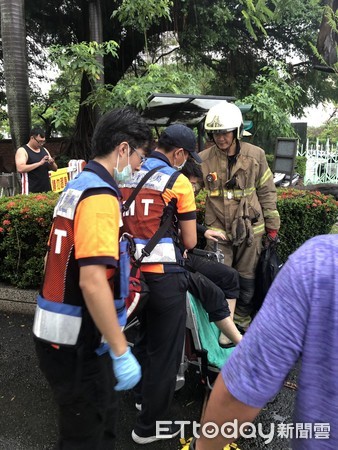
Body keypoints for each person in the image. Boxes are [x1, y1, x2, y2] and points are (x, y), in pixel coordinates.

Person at [33, 108, 152, 449]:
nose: (139, 168)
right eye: (140, 158)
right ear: (123, 149)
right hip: (79, 343)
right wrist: (119, 349)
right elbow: (92, 281)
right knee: (87, 436)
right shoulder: (100, 196)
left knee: (95, 424)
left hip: (57, 335)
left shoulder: (79, 184)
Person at [194, 234, 338, 450]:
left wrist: (202, 446)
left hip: (240, 237)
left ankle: (238, 335)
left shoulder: (321, 261)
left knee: (237, 279)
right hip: (198, 251)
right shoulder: (322, 262)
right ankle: (238, 336)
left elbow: (249, 377)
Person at [119, 124, 198, 445]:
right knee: (164, 351)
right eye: (186, 156)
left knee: (141, 338)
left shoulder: (126, 173)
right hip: (165, 277)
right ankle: (148, 426)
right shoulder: (178, 182)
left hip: (132, 276)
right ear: (179, 154)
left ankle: (140, 396)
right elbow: (190, 240)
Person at [199, 102, 280, 330]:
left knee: (247, 279)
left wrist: (272, 226)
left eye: (224, 132)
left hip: (250, 232)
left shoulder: (256, 155)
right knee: (219, 278)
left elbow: (267, 191)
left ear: (236, 131)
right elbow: (187, 187)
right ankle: (221, 327)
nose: (220, 138)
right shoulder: (203, 159)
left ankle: (242, 322)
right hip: (218, 233)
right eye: (215, 133)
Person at [181, 158, 242, 347]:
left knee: (230, 276)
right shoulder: (169, 194)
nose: (193, 189)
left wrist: (204, 231)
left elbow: (187, 227)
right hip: (170, 261)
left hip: (184, 255)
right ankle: (241, 343)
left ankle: (226, 334)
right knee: (212, 292)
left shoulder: (182, 196)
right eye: (191, 184)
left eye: (195, 185)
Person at [15, 126, 58, 194]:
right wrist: (40, 163)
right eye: (39, 141)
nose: (41, 144)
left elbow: (55, 169)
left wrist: (52, 163)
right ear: (32, 138)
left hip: (47, 190)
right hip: (31, 191)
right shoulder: (22, 151)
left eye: (43, 142)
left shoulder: (44, 150)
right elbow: (20, 168)